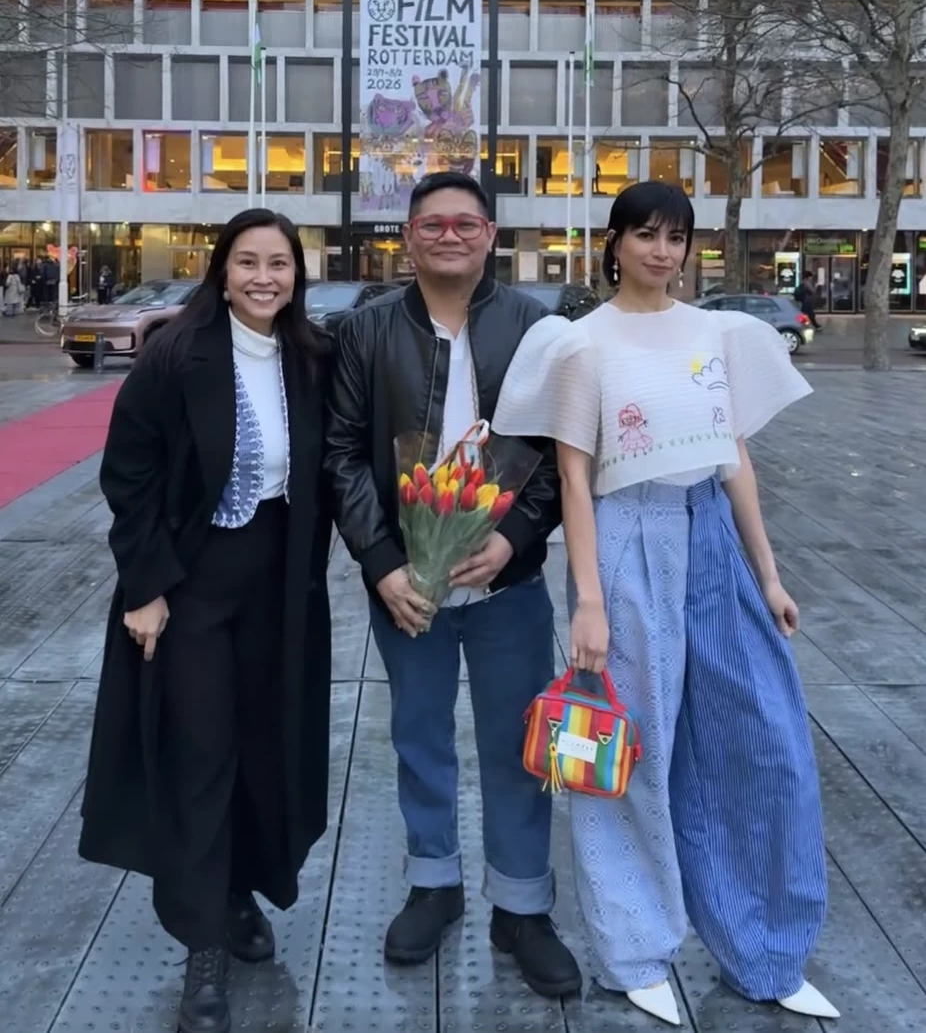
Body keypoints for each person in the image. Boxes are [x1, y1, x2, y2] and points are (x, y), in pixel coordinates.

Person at [492, 181, 837, 1026]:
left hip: (712, 535)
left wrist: (770, 574)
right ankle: (632, 949)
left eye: (675, 236)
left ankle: (764, 947)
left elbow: (735, 458)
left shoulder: (719, 334)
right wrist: (588, 600)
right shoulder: (580, 345)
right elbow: (573, 476)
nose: (662, 251)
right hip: (627, 537)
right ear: (614, 243)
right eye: (644, 234)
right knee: (631, 751)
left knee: (762, 741)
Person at [324, 170, 581, 998]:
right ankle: (433, 884)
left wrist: (511, 542)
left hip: (508, 588)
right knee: (420, 740)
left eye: (465, 224)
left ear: (491, 236)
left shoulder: (534, 328)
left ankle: (523, 904)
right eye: (432, 224)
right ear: (408, 237)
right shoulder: (363, 333)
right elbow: (341, 456)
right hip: (409, 588)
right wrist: (382, 564)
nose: (449, 236)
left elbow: (554, 456)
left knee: (516, 748)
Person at [78, 208, 333, 1033]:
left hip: (279, 587)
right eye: (248, 262)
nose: (265, 278)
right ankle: (202, 950)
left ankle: (234, 893)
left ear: (298, 275)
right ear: (221, 269)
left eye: (280, 265)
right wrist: (144, 587)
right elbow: (131, 475)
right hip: (192, 586)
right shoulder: (174, 356)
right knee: (198, 756)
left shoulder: (311, 357)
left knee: (263, 749)